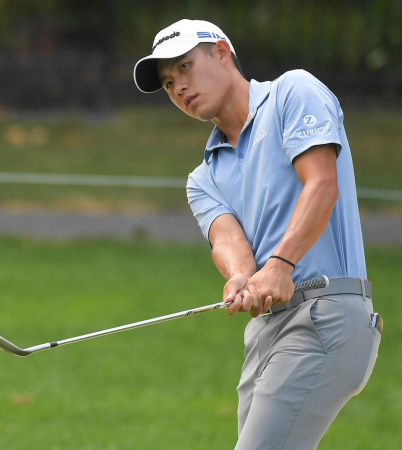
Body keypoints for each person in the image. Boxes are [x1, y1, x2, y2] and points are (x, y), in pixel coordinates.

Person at [133, 19, 382, 450]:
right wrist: (239, 278)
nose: (179, 88)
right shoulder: (203, 177)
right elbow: (230, 242)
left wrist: (281, 266)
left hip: (326, 314)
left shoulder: (292, 92)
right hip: (266, 333)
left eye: (186, 67)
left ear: (222, 52)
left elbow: (321, 184)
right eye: (169, 82)